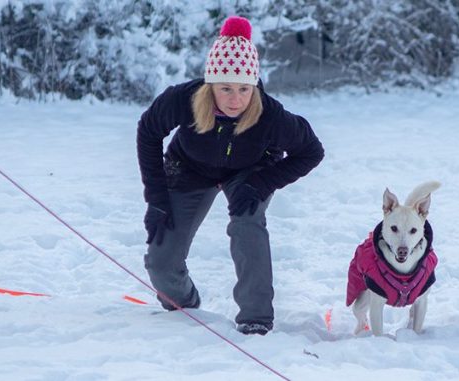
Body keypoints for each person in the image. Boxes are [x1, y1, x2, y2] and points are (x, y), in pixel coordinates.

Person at [136, 16, 324, 335]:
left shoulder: (270, 116)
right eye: (225, 88)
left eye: (243, 89)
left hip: (250, 173)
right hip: (189, 167)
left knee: (247, 222)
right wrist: (156, 199)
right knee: (161, 259)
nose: (236, 99)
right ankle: (183, 308)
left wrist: (261, 183)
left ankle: (256, 317)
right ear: (210, 85)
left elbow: (312, 151)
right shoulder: (183, 99)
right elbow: (148, 132)